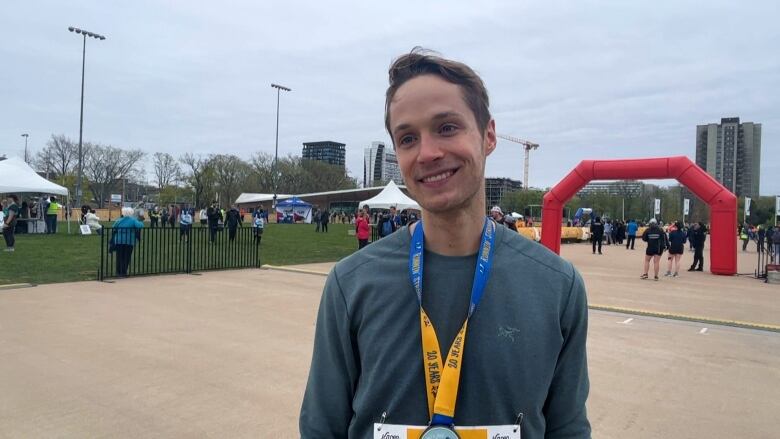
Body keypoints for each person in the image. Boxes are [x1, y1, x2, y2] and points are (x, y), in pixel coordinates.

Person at [300, 49, 590, 438]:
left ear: (488, 135)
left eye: (447, 127)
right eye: (407, 138)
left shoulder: (558, 286)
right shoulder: (351, 284)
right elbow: (322, 427)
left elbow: (567, 428)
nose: (428, 152)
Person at [110, 207, 144, 277]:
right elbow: (140, 225)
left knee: (119, 256)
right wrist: (141, 221)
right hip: (129, 241)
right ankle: (123, 272)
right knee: (126, 257)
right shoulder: (133, 220)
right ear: (131, 213)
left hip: (119, 240)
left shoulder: (119, 220)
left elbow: (113, 227)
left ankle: (118, 272)